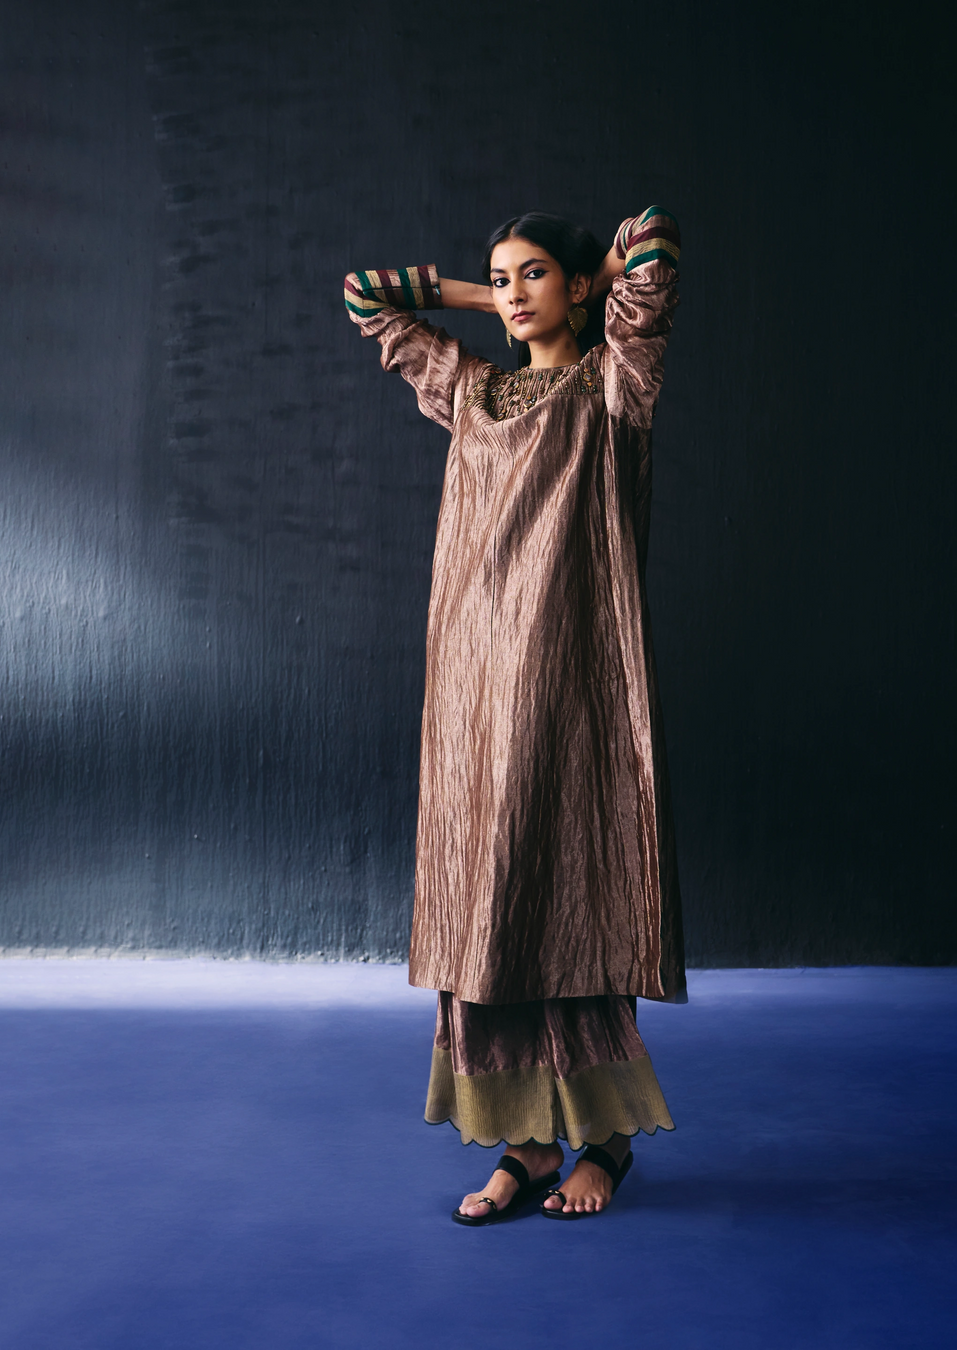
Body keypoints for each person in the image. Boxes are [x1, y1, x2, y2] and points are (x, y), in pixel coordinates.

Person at [343, 206, 685, 1223]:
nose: (513, 293)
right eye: (501, 278)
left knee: (566, 892)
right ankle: (527, 1147)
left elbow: (656, 249)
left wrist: (606, 273)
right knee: (483, 904)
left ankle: (605, 1142)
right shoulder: (471, 390)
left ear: (578, 287)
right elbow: (366, 296)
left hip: (574, 686)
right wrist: (484, 297)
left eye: (534, 274)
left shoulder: (614, 386)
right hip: (472, 692)